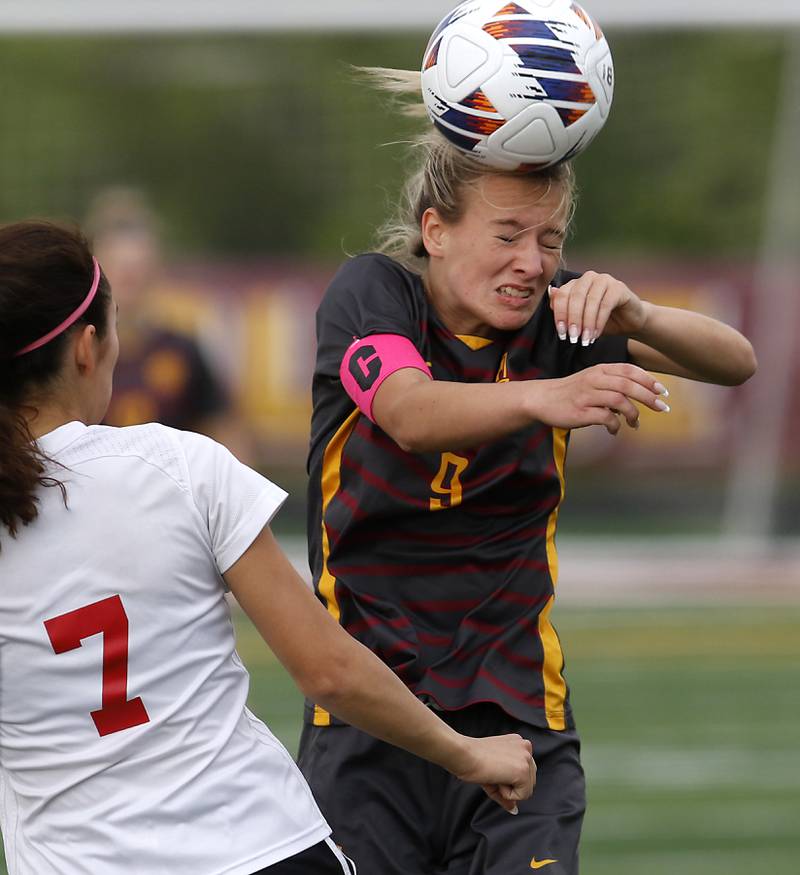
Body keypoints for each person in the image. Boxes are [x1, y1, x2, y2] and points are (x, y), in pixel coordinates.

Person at [297, 81, 757, 874]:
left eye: (550, 239)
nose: (531, 262)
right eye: (508, 234)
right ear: (435, 231)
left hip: (519, 712)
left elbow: (737, 362)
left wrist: (636, 317)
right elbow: (408, 409)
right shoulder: (373, 295)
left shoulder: (560, 318)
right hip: (371, 716)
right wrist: (551, 394)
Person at [0, 221, 536, 875]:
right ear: (87, 348)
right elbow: (329, 671)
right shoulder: (177, 465)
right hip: (262, 848)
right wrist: (467, 753)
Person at [85, 187, 252, 460]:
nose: (131, 282)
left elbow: (229, 436)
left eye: (138, 270)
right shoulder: (79, 353)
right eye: (121, 270)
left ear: (155, 270)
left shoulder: (184, 351)